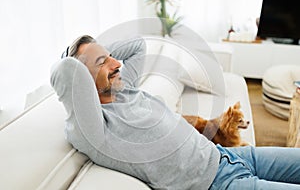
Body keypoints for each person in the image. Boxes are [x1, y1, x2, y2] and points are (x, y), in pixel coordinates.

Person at [51, 35, 300, 190]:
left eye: (111, 57)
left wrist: (99, 53)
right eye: (102, 63)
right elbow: (66, 70)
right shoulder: (97, 130)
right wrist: (77, 57)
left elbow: (138, 46)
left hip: (230, 156)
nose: (116, 64)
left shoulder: (123, 89)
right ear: (82, 79)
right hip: (220, 183)